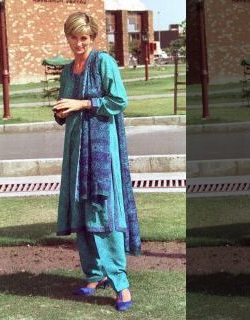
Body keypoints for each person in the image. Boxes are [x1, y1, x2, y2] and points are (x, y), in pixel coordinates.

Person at [52, 12, 141, 312]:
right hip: (76, 151)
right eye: (74, 38)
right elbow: (66, 108)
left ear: (92, 38)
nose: (79, 43)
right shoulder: (67, 72)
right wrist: (61, 112)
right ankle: (94, 274)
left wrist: (83, 103)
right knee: (81, 212)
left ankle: (121, 284)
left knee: (103, 212)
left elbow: (118, 100)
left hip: (101, 149)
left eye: (84, 38)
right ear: (67, 37)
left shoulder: (103, 62)